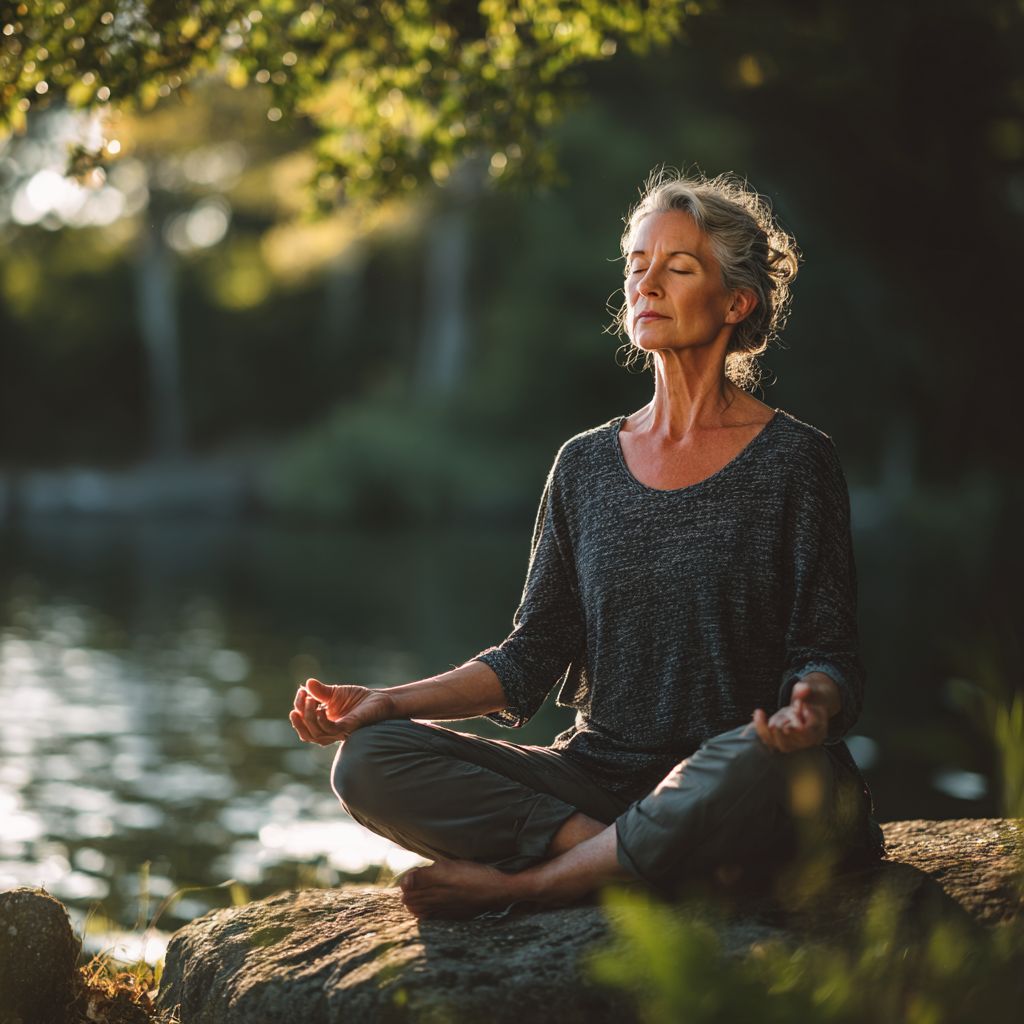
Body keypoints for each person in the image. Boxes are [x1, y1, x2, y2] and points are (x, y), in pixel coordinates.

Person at [289, 170, 880, 920]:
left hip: (750, 774)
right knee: (370, 759)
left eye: (679, 266)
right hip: (601, 776)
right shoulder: (585, 464)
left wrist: (811, 706)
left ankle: (533, 885)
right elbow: (530, 656)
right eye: (637, 265)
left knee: (751, 755)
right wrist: (385, 701)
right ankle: (628, 853)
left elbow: (829, 655)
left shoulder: (797, 460)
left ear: (738, 302)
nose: (647, 284)